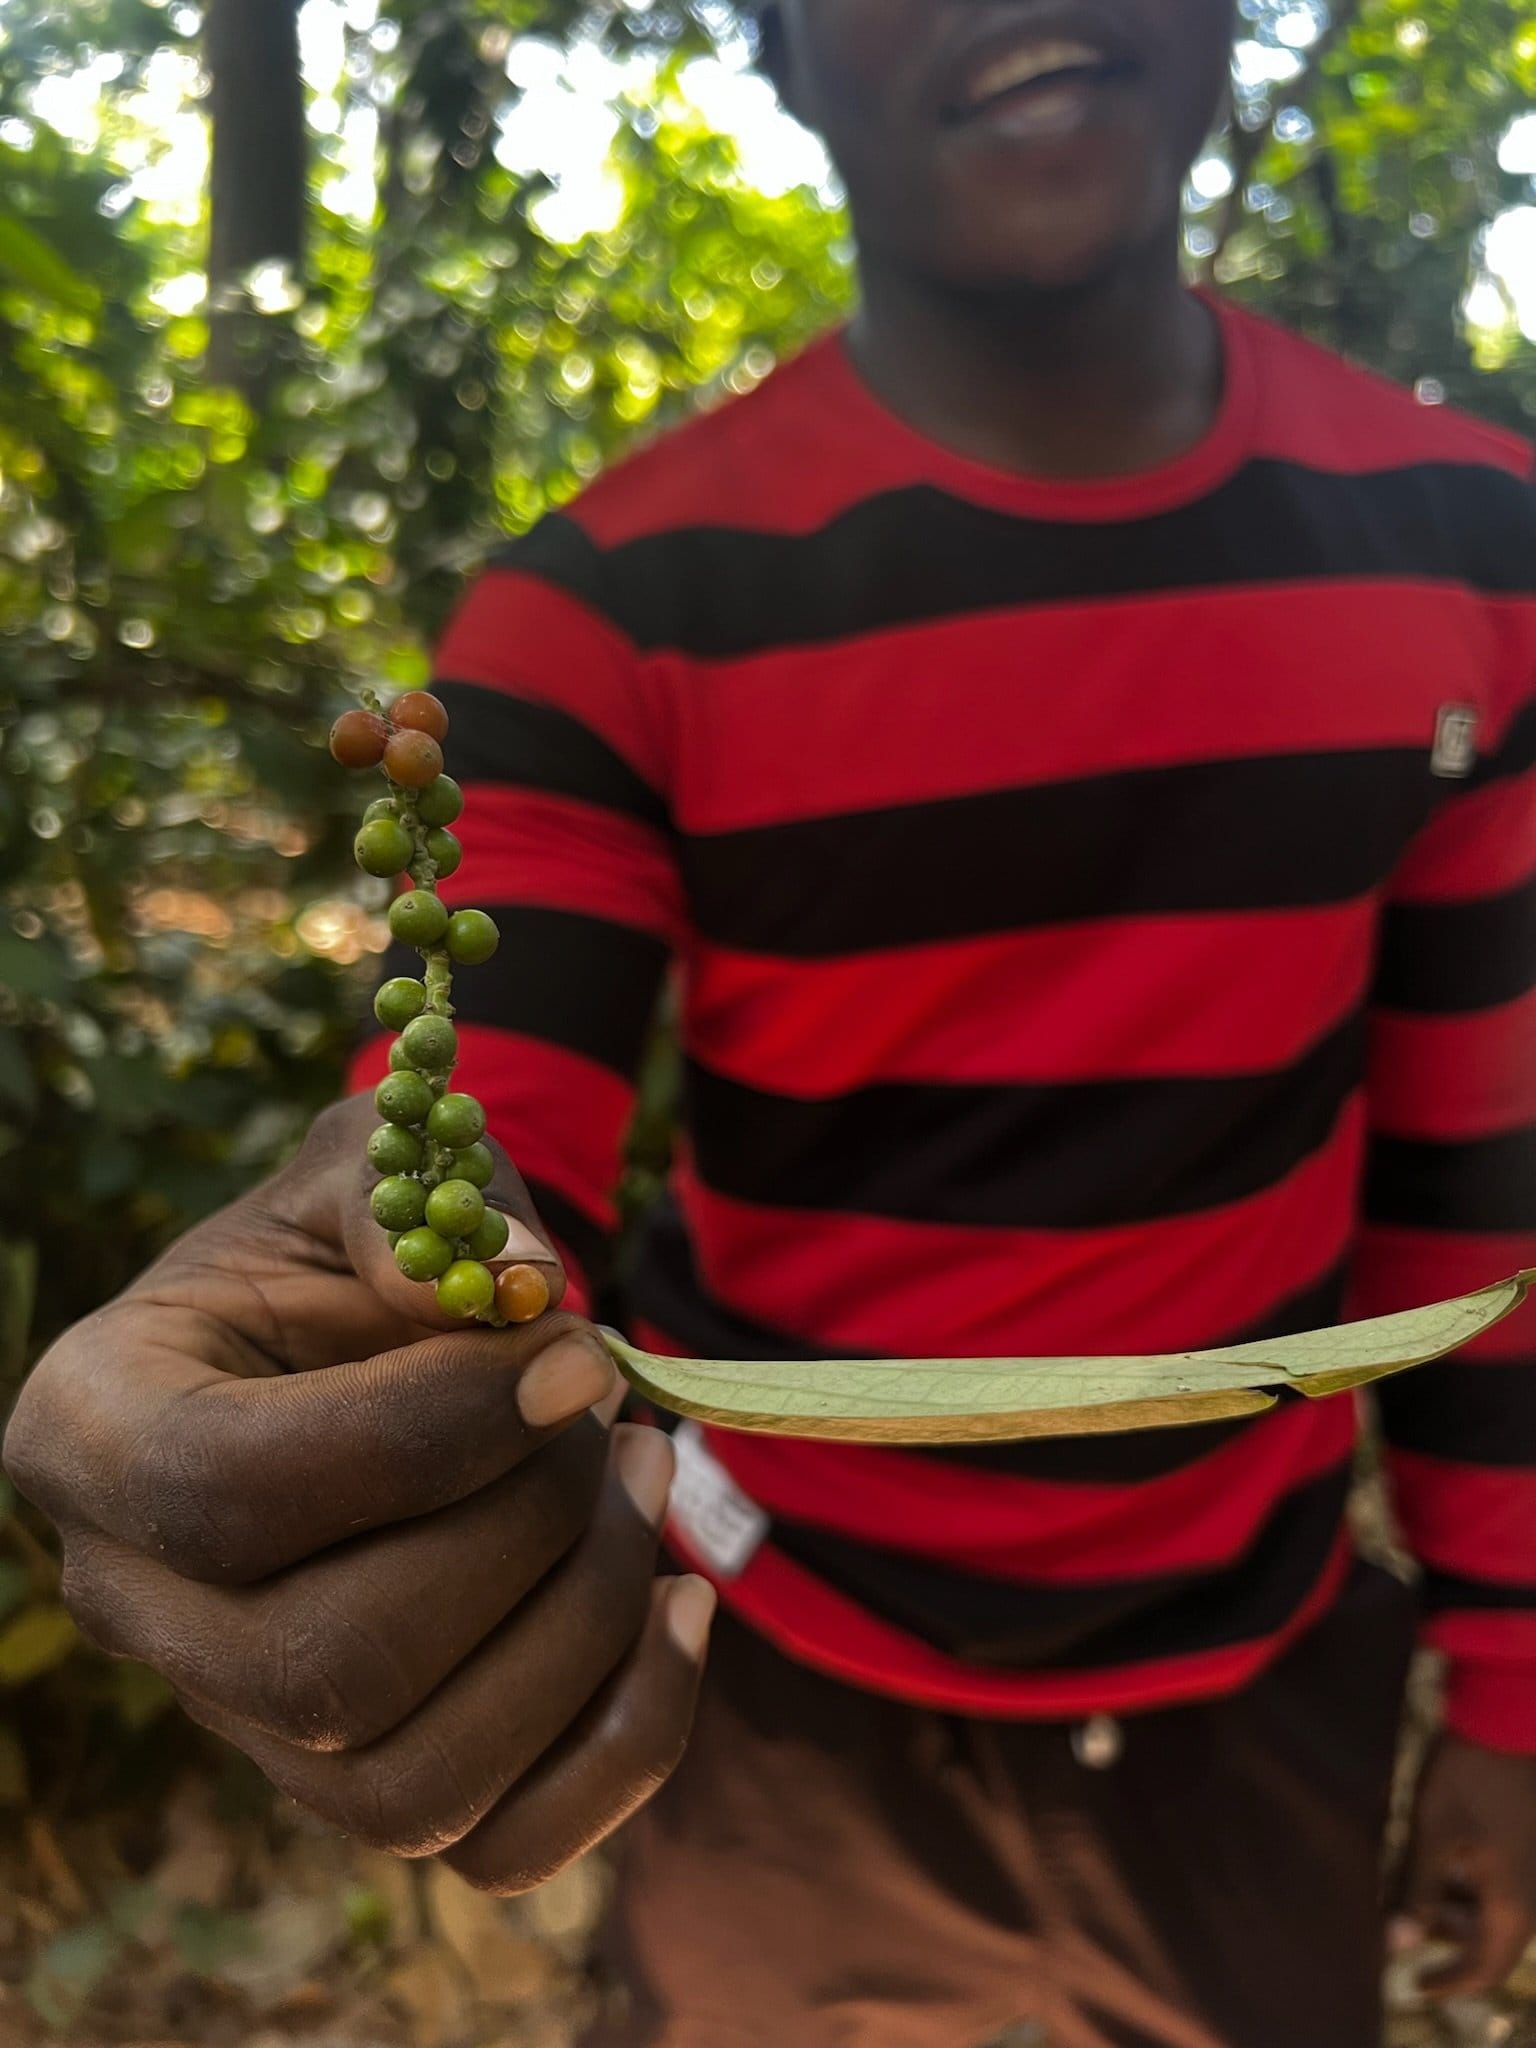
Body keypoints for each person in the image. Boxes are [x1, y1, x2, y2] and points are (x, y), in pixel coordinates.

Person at [9, 1, 1536, 2042]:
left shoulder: (1477, 545)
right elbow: (469, 1117)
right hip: (760, 1670)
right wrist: (347, 1304)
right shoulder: (613, 606)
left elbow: (1475, 1190)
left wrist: (1514, 1691)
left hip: (1245, 1682)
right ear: (781, 52)